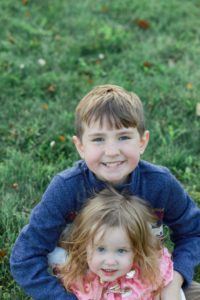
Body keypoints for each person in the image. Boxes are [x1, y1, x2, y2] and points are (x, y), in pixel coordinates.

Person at [10, 84, 200, 300]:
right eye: (98, 139)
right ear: (81, 146)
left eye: (123, 137)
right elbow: (25, 257)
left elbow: (194, 232)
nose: (111, 151)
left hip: (148, 282)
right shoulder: (66, 188)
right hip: (84, 286)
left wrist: (175, 281)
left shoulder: (160, 184)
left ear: (142, 141)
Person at [48, 188, 184, 300]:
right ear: (85, 248)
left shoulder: (147, 274)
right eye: (101, 249)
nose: (110, 261)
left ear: (136, 251)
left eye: (121, 251)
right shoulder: (81, 279)